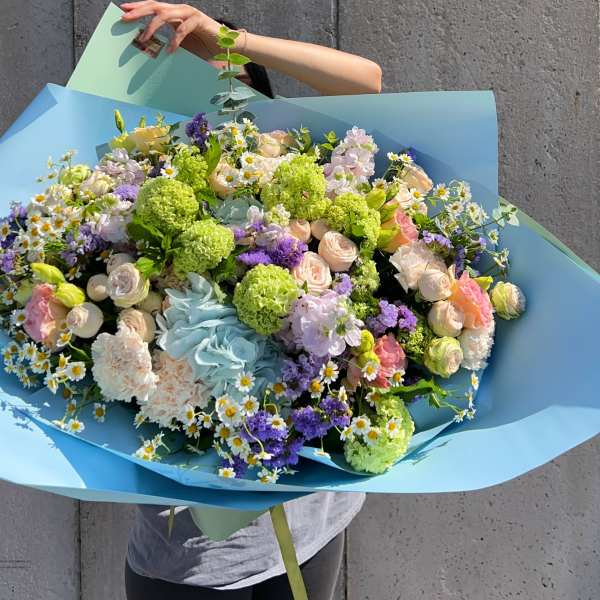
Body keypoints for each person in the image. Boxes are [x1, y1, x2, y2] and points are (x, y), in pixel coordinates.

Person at [120, 3, 382, 599]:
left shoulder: (301, 182)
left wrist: (232, 41)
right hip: (188, 558)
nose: (209, 111)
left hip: (311, 526)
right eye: (182, 85)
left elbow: (366, 81)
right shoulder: (136, 215)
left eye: (221, 82)